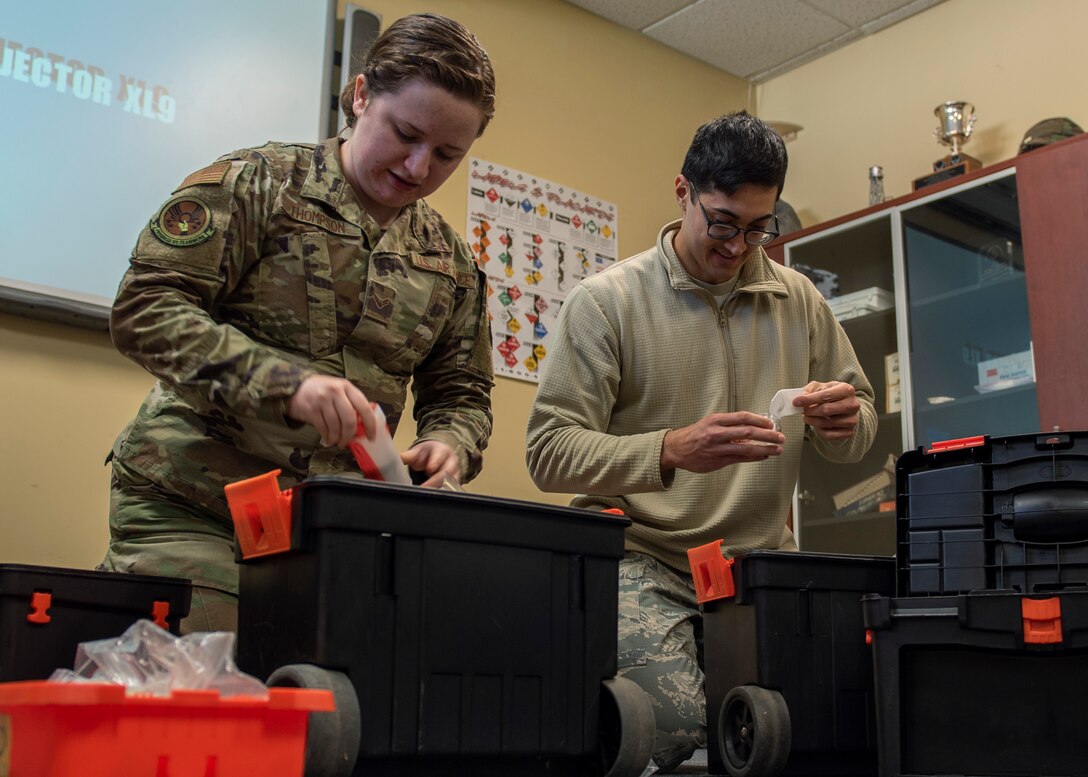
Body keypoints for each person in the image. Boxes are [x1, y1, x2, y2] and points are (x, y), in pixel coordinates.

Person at [100, 13, 497, 634]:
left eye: (448, 154)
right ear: (361, 95)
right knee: (220, 684)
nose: (420, 168)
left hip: (336, 531)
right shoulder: (256, 185)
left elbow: (462, 395)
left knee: (360, 698)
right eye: (406, 134)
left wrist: (452, 445)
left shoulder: (450, 261)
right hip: (196, 508)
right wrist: (288, 385)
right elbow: (146, 309)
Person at [525, 112, 876, 771]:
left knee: (823, 719)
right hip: (642, 556)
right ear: (683, 192)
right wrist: (670, 449)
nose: (738, 245)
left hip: (759, 565)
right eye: (722, 222)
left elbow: (860, 429)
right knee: (675, 721)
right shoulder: (607, 302)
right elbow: (549, 453)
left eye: (757, 227)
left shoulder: (798, 299)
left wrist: (846, 420)